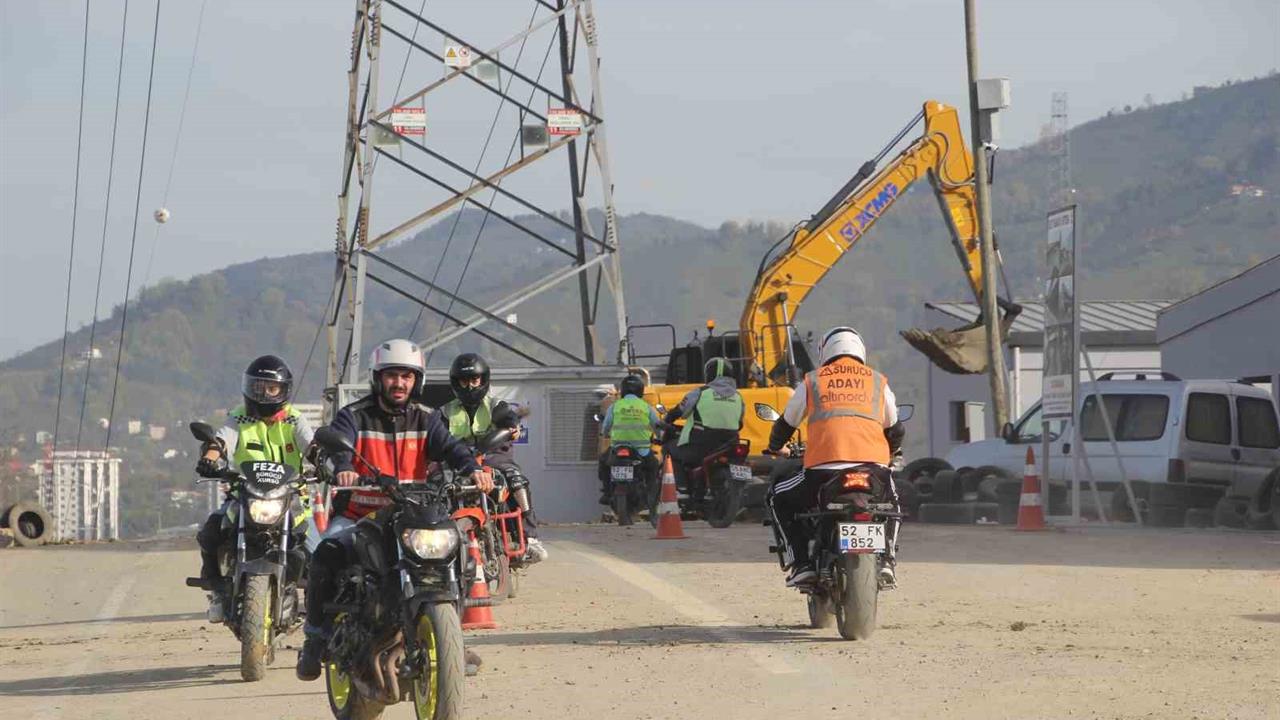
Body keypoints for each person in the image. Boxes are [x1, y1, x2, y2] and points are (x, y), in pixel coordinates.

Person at [297, 338, 492, 681]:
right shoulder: (354, 415)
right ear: (378, 378)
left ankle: (450, 640)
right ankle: (315, 638)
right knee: (326, 553)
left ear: (417, 380)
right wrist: (342, 467)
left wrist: (473, 470)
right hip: (360, 515)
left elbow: (452, 448)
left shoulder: (427, 418)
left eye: (407, 376)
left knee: (458, 555)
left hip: (412, 516)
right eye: (391, 375)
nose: (399, 383)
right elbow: (336, 448)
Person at [764, 326, 905, 588]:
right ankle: (887, 559)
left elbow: (786, 423)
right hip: (872, 470)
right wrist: (892, 453)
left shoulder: (813, 381)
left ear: (825, 351)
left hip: (823, 472)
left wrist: (775, 447)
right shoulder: (878, 381)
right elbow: (895, 429)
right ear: (860, 351)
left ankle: (802, 564)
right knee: (893, 503)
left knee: (777, 497)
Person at [195, 355, 313, 624]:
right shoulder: (239, 417)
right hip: (243, 495)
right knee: (210, 533)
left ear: (283, 391)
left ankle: (317, 616)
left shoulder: (295, 420)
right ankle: (217, 590)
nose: (265, 394)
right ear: (248, 387)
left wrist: (324, 461)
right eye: (259, 387)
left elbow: (312, 445)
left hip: (292, 499)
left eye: (272, 388)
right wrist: (209, 460)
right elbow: (220, 441)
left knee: (322, 552)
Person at [442, 353, 548, 563]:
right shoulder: (446, 411)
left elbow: (508, 417)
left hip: (493, 455)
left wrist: (513, 427)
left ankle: (530, 538)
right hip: (459, 459)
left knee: (516, 479)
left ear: (483, 380)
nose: (470, 386)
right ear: (456, 382)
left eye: (475, 380)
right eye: (464, 381)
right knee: (437, 486)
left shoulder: (494, 404)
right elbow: (436, 435)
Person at [662, 357, 745, 497]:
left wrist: (667, 419)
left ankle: (681, 488)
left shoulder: (700, 392)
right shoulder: (739, 397)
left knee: (669, 448)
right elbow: (739, 422)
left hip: (700, 445)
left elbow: (680, 410)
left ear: (710, 374)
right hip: (729, 445)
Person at [597, 373, 663, 504]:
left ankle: (606, 492)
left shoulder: (615, 406)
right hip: (641, 450)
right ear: (640, 390)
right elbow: (657, 425)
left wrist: (604, 434)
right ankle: (651, 496)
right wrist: (660, 437)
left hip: (618, 447)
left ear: (623, 390)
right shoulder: (646, 407)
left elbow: (606, 425)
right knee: (653, 467)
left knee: (603, 463)